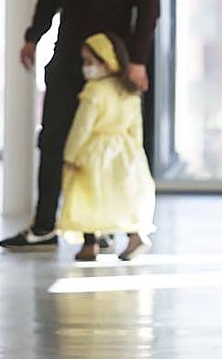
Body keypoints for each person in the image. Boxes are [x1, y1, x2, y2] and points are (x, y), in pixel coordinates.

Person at [0, 0, 159, 252]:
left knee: (103, 146)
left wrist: (136, 61)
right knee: (54, 141)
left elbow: (149, 5)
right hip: (68, 55)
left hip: (111, 65)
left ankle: (102, 227)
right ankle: (44, 226)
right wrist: (33, 36)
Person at [61, 33, 156, 262]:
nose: (87, 68)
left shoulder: (94, 91)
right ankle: (134, 235)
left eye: (90, 62)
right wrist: (137, 154)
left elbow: (81, 127)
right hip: (125, 152)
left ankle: (90, 244)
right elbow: (136, 129)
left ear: (107, 61)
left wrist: (70, 155)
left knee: (88, 196)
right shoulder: (129, 91)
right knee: (121, 196)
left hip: (94, 153)